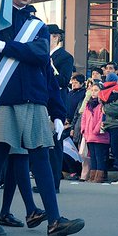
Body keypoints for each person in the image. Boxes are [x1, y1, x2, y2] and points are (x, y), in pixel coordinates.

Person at [0, 0, 84, 236]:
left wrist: (56, 110)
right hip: (5, 98)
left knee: (41, 156)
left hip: (34, 100)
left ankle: (54, 220)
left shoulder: (38, 25)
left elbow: (42, 57)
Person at [47, 25, 75, 193]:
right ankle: (46, 180)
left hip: (57, 101)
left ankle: (54, 182)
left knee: (55, 143)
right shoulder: (44, 54)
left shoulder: (65, 57)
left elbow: (63, 81)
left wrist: (50, 67)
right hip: (43, 100)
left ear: (56, 37)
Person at [80, 82, 109, 183]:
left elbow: (102, 119)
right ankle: (92, 175)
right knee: (92, 156)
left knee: (99, 156)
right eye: (92, 90)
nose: (93, 92)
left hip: (99, 135)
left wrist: (95, 130)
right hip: (89, 134)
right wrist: (83, 129)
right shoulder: (88, 104)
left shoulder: (103, 104)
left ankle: (99, 176)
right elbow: (84, 117)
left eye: (96, 90)